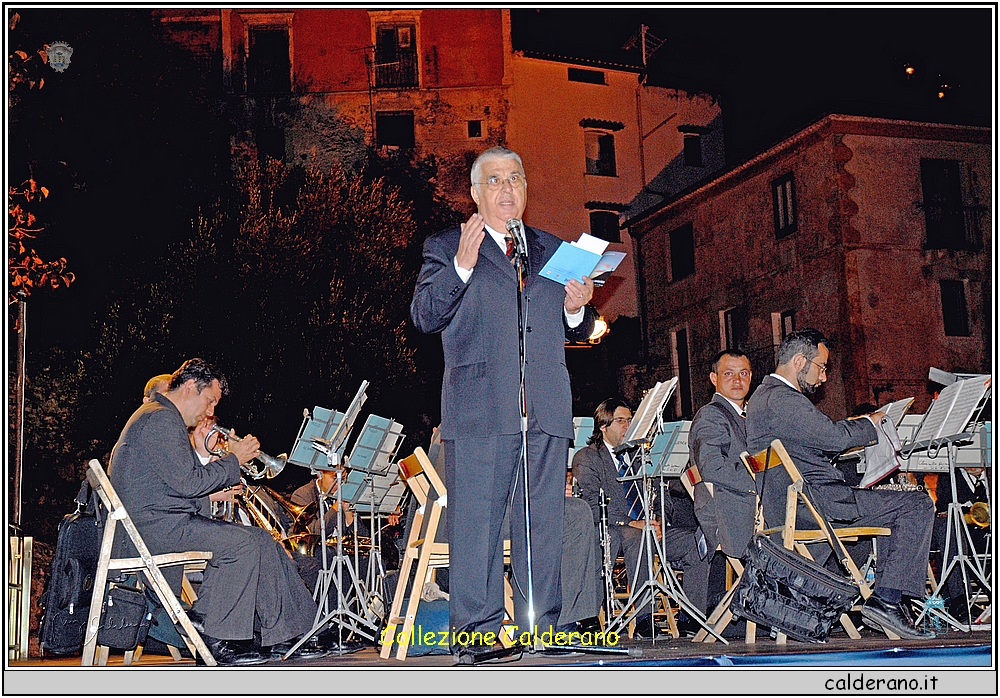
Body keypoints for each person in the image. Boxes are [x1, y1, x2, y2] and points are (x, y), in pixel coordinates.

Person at [411, 145, 595, 662]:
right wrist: (462, 268)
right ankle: (477, 634)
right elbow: (424, 314)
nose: (507, 188)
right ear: (474, 193)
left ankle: (541, 627)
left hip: (545, 406)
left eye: (515, 177)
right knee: (478, 526)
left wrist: (578, 311)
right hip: (478, 409)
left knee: (543, 526)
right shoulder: (447, 246)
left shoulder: (551, 251)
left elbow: (573, 328)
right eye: (494, 180)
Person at [109, 358, 328, 665]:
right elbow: (187, 482)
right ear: (189, 388)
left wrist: (213, 492)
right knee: (244, 544)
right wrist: (233, 460)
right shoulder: (160, 419)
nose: (210, 412)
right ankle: (213, 635)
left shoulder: (158, 417)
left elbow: (172, 486)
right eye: (209, 401)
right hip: (152, 531)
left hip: (162, 522)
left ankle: (295, 634)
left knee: (263, 540)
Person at [745, 329, 935, 640]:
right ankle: (887, 600)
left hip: (794, 506)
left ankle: (888, 597)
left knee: (892, 509)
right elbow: (832, 437)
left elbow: (813, 441)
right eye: (821, 367)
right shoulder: (782, 399)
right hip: (818, 504)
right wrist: (871, 423)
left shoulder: (763, 399)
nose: (822, 378)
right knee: (916, 503)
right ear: (798, 361)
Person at [573, 399, 710, 638]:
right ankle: (645, 618)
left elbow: (662, 496)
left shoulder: (642, 457)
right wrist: (630, 522)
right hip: (614, 530)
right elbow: (591, 505)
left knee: (695, 544)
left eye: (630, 420)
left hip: (648, 528)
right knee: (638, 536)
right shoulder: (588, 457)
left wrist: (657, 519)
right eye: (621, 420)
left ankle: (690, 617)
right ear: (603, 426)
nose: (628, 426)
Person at [689, 350, 756, 560]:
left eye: (743, 374)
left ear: (751, 377)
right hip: (730, 514)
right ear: (713, 378)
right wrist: (763, 482)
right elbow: (712, 468)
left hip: (748, 508)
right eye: (729, 374)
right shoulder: (710, 416)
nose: (737, 380)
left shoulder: (751, 416)